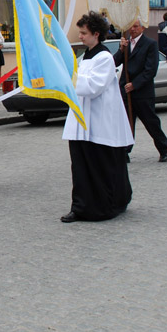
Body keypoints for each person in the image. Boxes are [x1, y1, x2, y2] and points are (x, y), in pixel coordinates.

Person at [61, 11, 134, 223]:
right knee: (80, 167)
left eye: (83, 33)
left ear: (96, 34)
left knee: (100, 167)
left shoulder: (104, 58)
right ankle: (80, 206)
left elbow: (93, 86)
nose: (80, 36)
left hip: (99, 122)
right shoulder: (86, 57)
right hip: (81, 121)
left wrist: (67, 78)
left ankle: (104, 205)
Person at [114, 19, 167, 162]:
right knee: (126, 123)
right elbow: (114, 62)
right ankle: (125, 151)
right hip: (126, 92)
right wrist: (121, 50)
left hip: (142, 92)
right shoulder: (126, 43)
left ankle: (164, 149)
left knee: (151, 122)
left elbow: (151, 70)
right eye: (130, 26)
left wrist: (135, 84)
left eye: (136, 26)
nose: (133, 29)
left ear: (142, 28)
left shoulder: (150, 44)